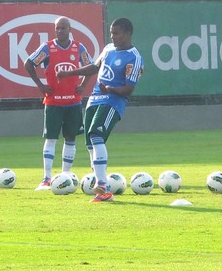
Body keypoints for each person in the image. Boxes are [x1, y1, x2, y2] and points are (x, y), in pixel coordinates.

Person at [57, 17, 143, 202]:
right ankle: (99, 184)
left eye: (116, 33)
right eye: (111, 33)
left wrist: (110, 90)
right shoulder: (108, 49)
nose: (113, 37)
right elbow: (94, 68)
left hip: (112, 102)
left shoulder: (134, 57)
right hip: (94, 100)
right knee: (90, 143)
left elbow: (129, 88)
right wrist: (69, 73)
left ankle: (103, 186)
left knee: (96, 134)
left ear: (127, 33)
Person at [25, 16, 93, 191]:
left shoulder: (78, 47)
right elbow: (29, 63)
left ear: (70, 30)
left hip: (73, 102)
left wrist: (83, 85)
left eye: (63, 28)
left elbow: (90, 67)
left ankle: (65, 175)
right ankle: (47, 178)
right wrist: (40, 85)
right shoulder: (47, 48)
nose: (60, 31)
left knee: (70, 138)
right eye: (57, 28)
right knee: (51, 138)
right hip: (53, 101)